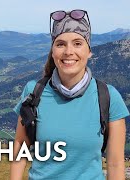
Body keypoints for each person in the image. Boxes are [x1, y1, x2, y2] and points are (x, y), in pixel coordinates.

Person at [10, 9, 129, 180]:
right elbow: (20, 146)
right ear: (53, 52)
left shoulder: (108, 97)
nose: (68, 51)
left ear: (89, 51)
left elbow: (116, 164)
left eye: (77, 43)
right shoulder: (33, 92)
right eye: (60, 44)